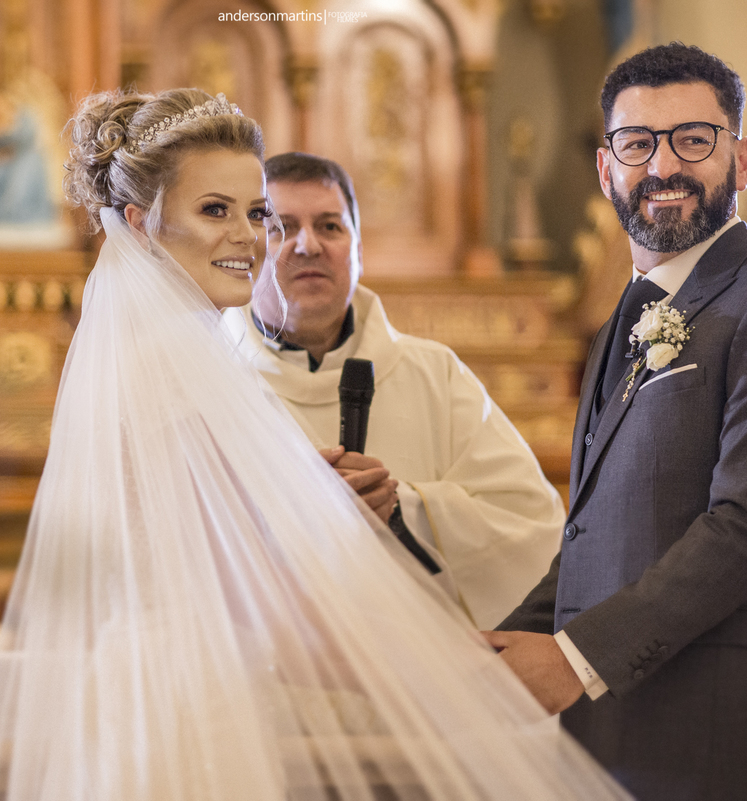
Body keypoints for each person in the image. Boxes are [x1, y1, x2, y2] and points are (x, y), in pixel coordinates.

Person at [0, 87, 628, 800]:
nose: (249, 237)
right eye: (214, 210)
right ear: (140, 222)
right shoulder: (167, 377)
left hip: (182, 698)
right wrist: (460, 672)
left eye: (254, 214)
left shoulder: (174, 361)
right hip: (180, 712)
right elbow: (269, 615)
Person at [487, 44, 747, 800]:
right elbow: (593, 541)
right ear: (606, 170)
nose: (663, 166)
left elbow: (745, 528)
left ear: (741, 160)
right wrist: (489, 651)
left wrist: (574, 659)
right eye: (637, 143)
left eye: (693, 140)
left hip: (721, 747)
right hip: (608, 745)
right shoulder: (615, 328)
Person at [224, 153, 564, 630]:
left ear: (358, 251)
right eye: (283, 227)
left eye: (330, 226)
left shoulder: (435, 373)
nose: (308, 245)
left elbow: (532, 525)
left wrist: (404, 510)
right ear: (250, 250)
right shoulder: (212, 376)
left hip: (418, 656)